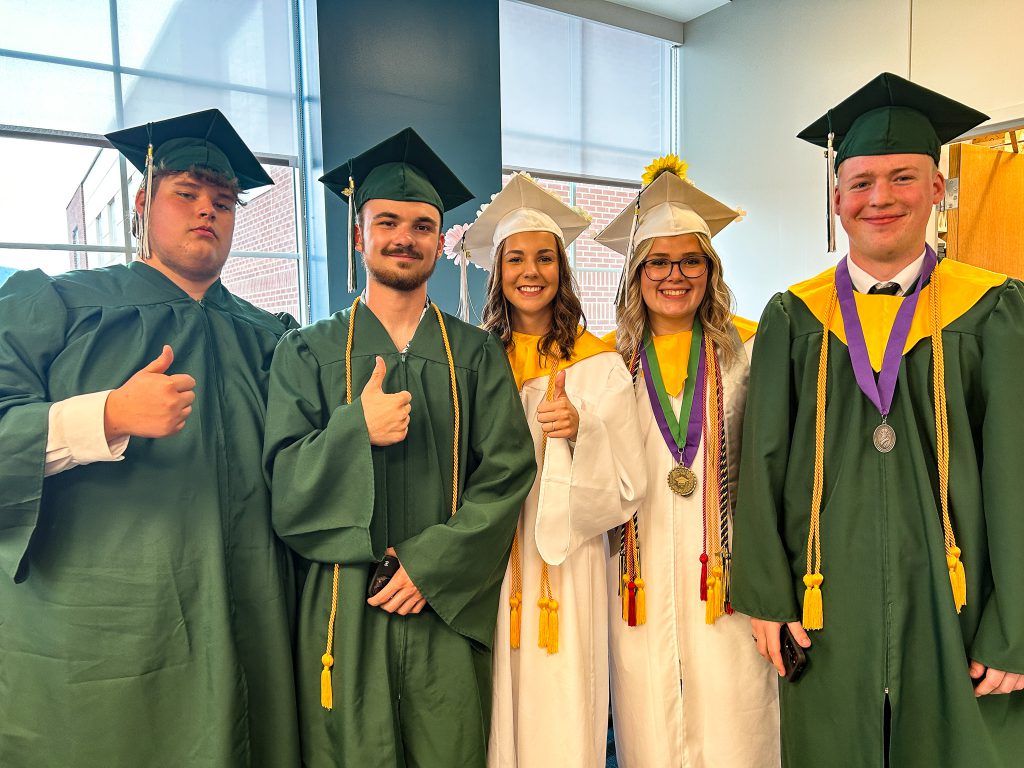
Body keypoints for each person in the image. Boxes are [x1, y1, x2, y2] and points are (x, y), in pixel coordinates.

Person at [731, 72, 1024, 768]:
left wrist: (1016, 627)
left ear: (937, 190)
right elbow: (761, 461)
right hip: (826, 597)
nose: (880, 198)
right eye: (861, 183)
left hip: (959, 596)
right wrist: (769, 596)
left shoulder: (992, 311)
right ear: (837, 200)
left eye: (902, 178)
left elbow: (1019, 473)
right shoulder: (794, 316)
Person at [0, 109, 300, 767]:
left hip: (253, 633)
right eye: (186, 194)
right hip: (107, 647)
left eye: (223, 202)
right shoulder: (58, 308)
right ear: (142, 203)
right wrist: (104, 416)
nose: (207, 212)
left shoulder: (274, 339)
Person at [263, 127, 537, 768]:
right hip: (343, 610)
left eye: (422, 225)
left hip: (445, 606)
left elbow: (506, 473)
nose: (404, 237)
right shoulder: (306, 352)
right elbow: (283, 482)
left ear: (441, 243)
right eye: (387, 220)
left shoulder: (475, 354)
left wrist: (429, 565)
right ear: (359, 234)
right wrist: (354, 430)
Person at [456, 172, 646, 767]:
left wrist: (580, 430)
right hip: (489, 556)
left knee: (565, 702)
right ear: (498, 270)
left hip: (568, 563)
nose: (530, 271)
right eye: (516, 258)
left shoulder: (598, 364)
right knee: (491, 709)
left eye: (545, 257)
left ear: (562, 271)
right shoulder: (472, 359)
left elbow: (628, 482)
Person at [593, 158, 779, 767]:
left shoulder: (750, 351)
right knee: (647, 729)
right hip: (636, 582)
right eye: (658, 262)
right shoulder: (607, 363)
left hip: (725, 582)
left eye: (690, 261)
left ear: (710, 270)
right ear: (636, 273)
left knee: (739, 722)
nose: (674, 276)